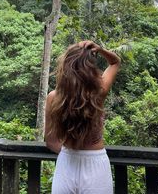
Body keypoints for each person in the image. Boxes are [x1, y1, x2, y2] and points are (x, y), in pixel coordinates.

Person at [44, 40, 121, 194]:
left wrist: (71, 153)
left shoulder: (54, 97)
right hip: (96, 164)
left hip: (67, 163)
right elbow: (115, 62)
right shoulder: (98, 93)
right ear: (90, 68)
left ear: (65, 67)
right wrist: (100, 50)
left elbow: (50, 140)